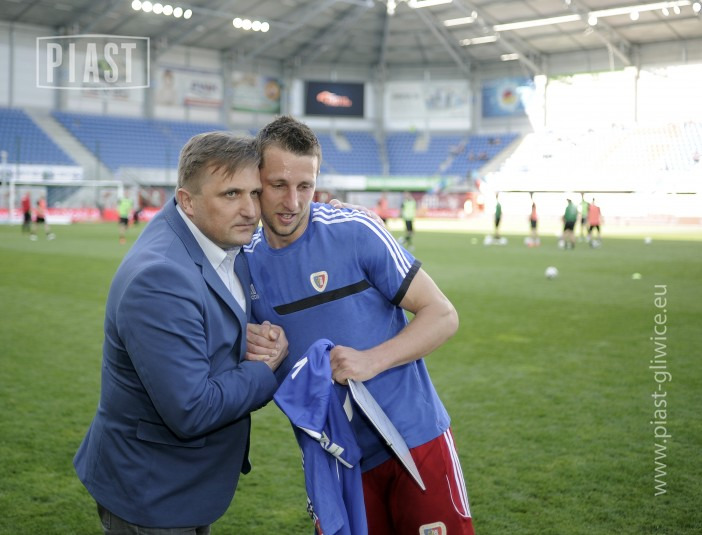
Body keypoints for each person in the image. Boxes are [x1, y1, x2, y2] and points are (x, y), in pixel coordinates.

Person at [245, 116, 474, 534]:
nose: (293, 201)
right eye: (278, 184)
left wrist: (372, 360)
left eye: (305, 186)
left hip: (415, 439)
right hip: (335, 463)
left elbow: (442, 314)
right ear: (256, 179)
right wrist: (250, 344)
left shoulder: (355, 231)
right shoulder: (244, 264)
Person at [74, 132, 289, 533]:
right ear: (187, 201)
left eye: (255, 193)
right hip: (153, 491)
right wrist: (265, 368)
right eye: (231, 194)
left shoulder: (212, 233)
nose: (250, 210)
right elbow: (192, 410)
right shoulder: (160, 278)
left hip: (183, 481)